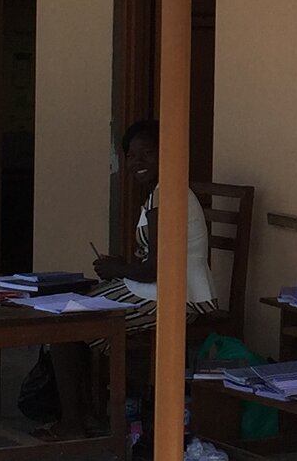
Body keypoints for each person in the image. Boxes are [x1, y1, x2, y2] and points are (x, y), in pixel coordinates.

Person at [46, 118, 216, 442]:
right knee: (75, 303)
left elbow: (157, 270)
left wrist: (117, 269)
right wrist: (120, 268)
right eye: (132, 156)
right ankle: (87, 411)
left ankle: (74, 420)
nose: (138, 163)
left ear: (167, 155)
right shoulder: (160, 193)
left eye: (147, 154)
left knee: (67, 323)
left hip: (174, 296)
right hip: (156, 289)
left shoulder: (168, 196)